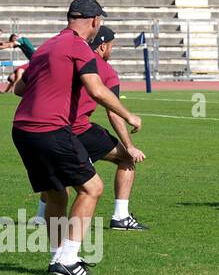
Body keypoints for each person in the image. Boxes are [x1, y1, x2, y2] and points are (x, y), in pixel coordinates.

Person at [10, 0, 141, 275]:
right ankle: (68, 259)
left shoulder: (47, 45)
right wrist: (129, 115)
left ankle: (58, 257)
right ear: (95, 21)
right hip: (51, 128)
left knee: (57, 193)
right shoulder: (78, 46)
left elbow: (20, 89)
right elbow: (96, 90)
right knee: (92, 188)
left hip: (22, 129)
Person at [30, 27, 149, 230]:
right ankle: (120, 216)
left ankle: (41, 216)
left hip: (53, 128)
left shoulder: (69, 58)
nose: (111, 50)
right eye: (112, 46)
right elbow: (113, 113)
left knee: (58, 173)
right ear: (103, 46)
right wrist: (129, 145)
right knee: (126, 158)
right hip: (79, 130)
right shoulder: (106, 70)